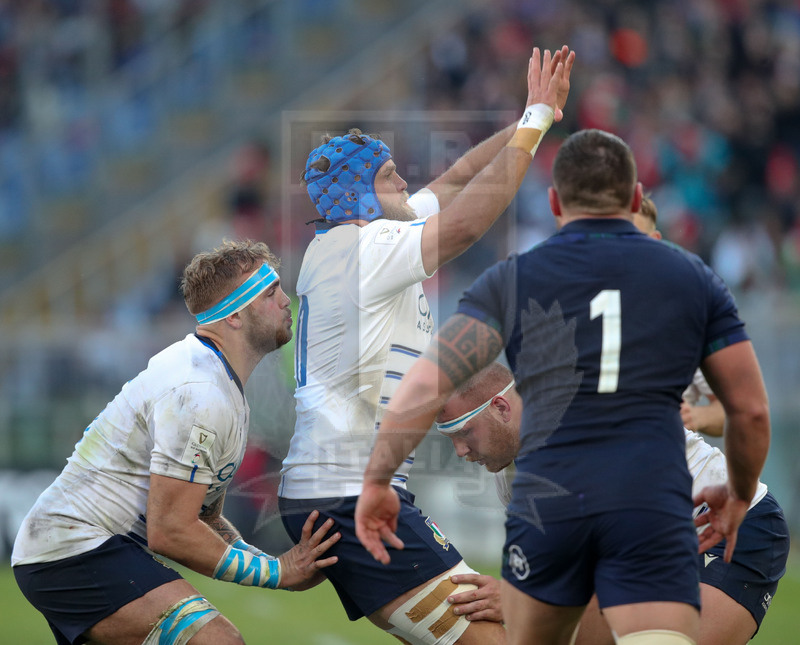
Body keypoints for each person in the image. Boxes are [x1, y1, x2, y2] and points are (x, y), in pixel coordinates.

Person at [355, 128, 771, 645]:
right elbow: (752, 412)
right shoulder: (692, 278)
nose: (460, 449)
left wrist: (374, 482)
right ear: (636, 199)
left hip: (713, 528)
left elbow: (424, 384)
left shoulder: (514, 283)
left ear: (553, 204)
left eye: (460, 430)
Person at [278, 45, 575, 645]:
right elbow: (466, 223)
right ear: (362, 195)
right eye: (390, 175)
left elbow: (461, 176)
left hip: (350, 486)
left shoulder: (360, 237)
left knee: (504, 629)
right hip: (345, 490)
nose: (407, 181)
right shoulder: (364, 247)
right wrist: (537, 123)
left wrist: (530, 114)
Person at [12, 240, 341, 645]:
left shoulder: (216, 382)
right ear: (235, 315)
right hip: (74, 551)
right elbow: (170, 530)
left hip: (88, 551)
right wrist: (278, 573)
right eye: (270, 292)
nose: (285, 300)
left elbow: (202, 520)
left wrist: (277, 567)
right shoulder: (199, 391)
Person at [435, 362, 789, 645]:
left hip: (731, 524)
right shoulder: (510, 479)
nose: (461, 452)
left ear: (500, 407)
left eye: (465, 432)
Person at [634, 196, 725, 438]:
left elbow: (731, 410)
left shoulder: (685, 319)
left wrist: (695, 416)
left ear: (654, 242)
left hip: (671, 461)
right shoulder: (579, 310)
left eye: (634, 239)